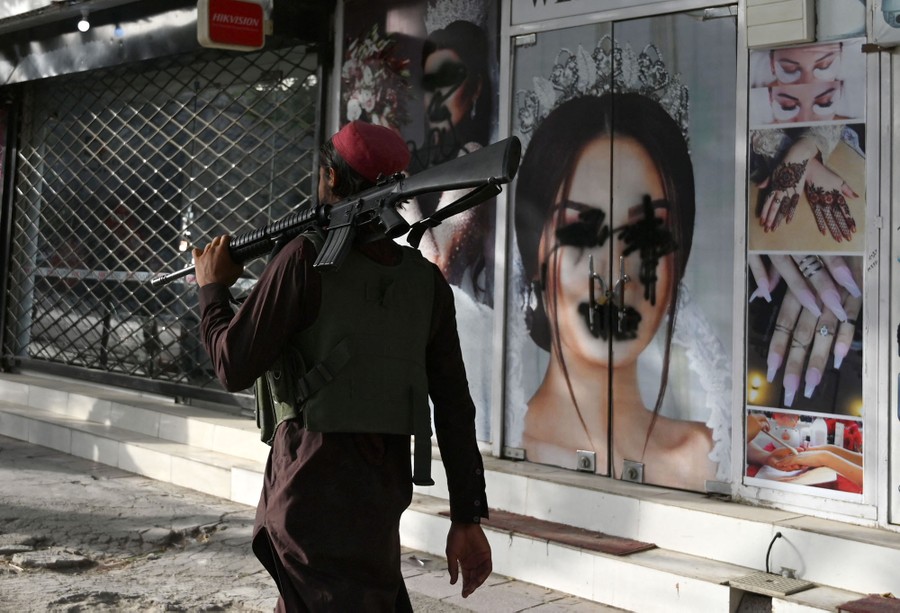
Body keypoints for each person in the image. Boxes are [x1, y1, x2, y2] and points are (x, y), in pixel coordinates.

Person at [192, 120, 492, 611]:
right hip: (379, 500)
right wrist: (466, 518)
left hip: (307, 493)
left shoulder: (301, 262)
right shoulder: (426, 283)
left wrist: (211, 290)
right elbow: (455, 406)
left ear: (330, 179)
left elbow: (232, 364)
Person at [514, 93, 719, 491]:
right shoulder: (503, 446)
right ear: (535, 250)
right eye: (581, 231)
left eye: (645, 233)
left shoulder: (711, 455)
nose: (612, 273)